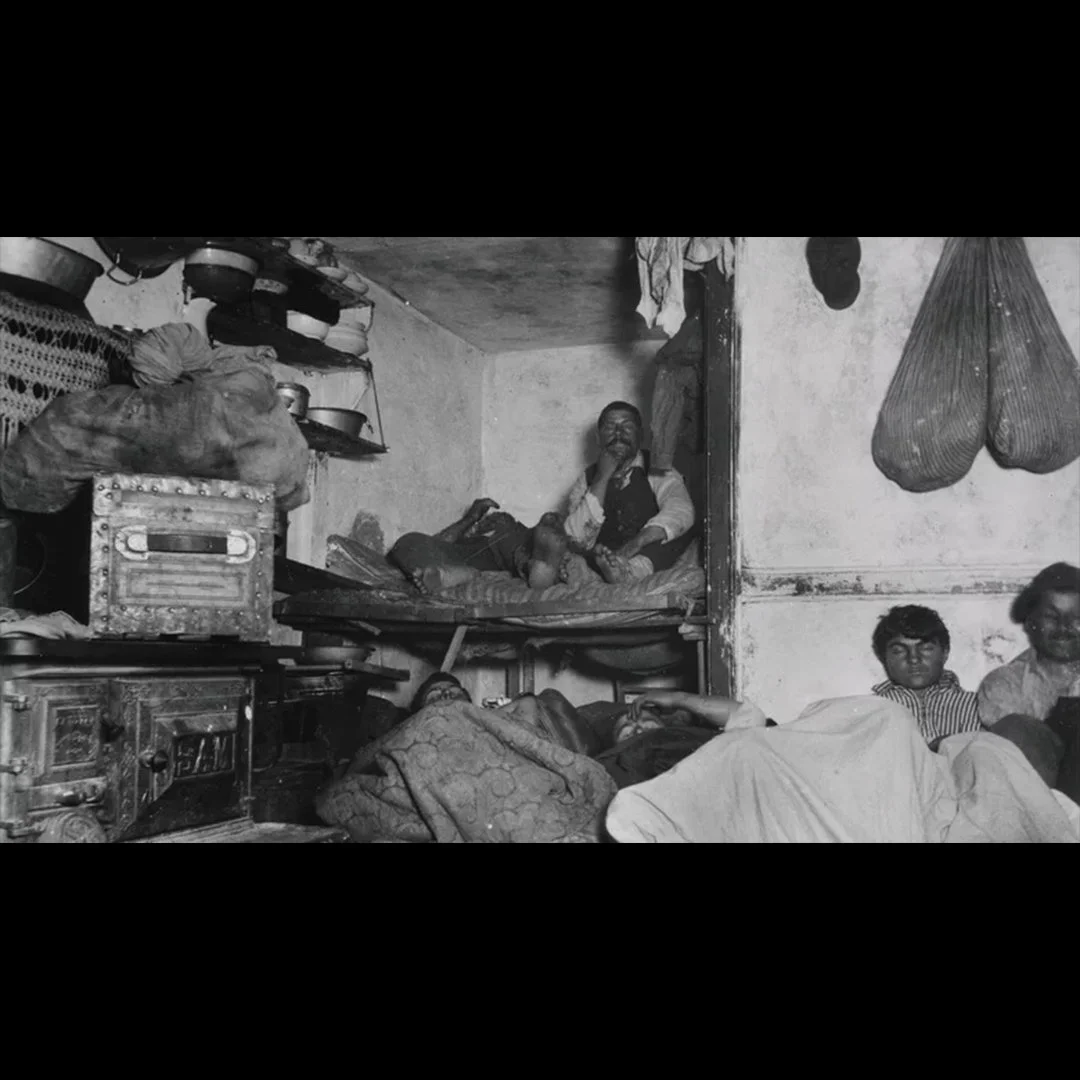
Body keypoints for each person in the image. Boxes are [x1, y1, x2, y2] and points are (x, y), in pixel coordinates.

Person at [563, 402, 697, 585]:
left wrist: (637, 543)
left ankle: (631, 571)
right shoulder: (587, 478)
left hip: (645, 555)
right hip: (607, 558)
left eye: (627, 427)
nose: (618, 434)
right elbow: (576, 537)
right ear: (598, 437)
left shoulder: (657, 468)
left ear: (640, 435)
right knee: (570, 545)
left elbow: (680, 508)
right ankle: (607, 572)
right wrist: (602, 478)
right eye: (610, 427)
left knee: (675, 530)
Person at [977, 563, 1080, 793]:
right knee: (1016, 727)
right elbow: (1023, 751)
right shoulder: (1003, 683)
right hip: (1039, 798)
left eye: (1076, 618)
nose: (1064, 628)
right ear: (1031, 622)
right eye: (1051, 617)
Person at [390, 500, 572, 594]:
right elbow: (440, 541)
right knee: (409, 541)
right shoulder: (468, 534)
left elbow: (513, 536)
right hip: (461, 562)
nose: (489, 519)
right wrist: (471, 517)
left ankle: (540, 565)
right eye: (487, 518)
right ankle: (441, 576)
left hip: (511, 548)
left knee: (517, 546)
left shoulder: (512, 528)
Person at [870, 606, 982, 750]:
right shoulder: (873, 710)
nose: (914, 659)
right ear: (883, 657)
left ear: (945, 652)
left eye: (926, 648)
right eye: (898, 651)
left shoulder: (976, 706)